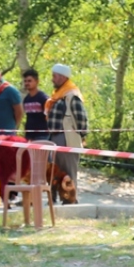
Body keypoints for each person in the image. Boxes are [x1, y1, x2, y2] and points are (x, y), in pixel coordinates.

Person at [44, 63, 87, 191]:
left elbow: (82, 118)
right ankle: (55, 203)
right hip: (55, 138)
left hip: (68, 139)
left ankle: (71, 202)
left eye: (54, 76)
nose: (52, 79)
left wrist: (82, 137)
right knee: (56, 172)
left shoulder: (72, 95)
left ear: (62, 78)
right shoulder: (58, 95)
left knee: (69, 171)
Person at [21, 68, 49, 142]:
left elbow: (49, 117)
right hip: (29, 136)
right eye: (25, 81)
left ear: (37, 81)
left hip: (43, 136)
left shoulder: (43, 98)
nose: (27, 83)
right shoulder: (26, 100)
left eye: (29, 81)